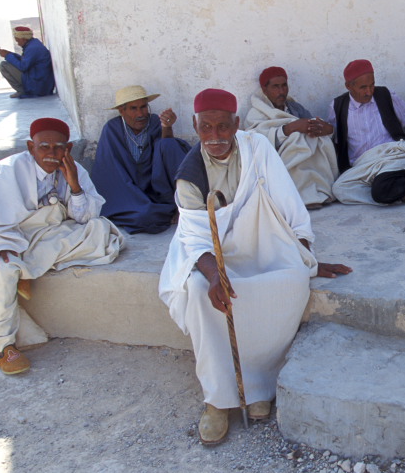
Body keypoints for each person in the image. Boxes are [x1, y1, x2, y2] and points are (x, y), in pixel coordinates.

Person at [158, 89, 351, 446]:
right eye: (205, 129)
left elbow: (287, 203)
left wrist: (304, 254)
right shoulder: (190, 175)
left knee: (292, 279)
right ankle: (217, 399)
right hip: (211, 256)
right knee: (201, 293)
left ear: (237, 123)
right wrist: (216, 275)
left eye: (222, 127)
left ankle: (257, 385)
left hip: (263, 243)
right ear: (195, 127)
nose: (214, 137)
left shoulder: (256, 148)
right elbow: (196, 241)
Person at [0, 118, 124, 375]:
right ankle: (3, 347)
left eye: (59, 147)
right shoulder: (7, 171)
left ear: (69, 148)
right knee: (3, 271)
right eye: (44, 147)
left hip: (36, 235)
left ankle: (25, 270)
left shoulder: (73, 170)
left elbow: (86, 217)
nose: (51, 154)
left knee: (101, 231)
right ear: (31, 147)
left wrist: (74, 184)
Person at [327, 59, 405, 205]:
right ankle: (402, 189)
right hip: (362, 165)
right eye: (363, 87)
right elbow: (335, 137)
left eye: (372, 85)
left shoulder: (385, 95)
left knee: (380, 190)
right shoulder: (337, 106)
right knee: (339, 189)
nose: (369, 92)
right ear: (349, 86)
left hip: (393, 155)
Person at [91, 85, 191, 233]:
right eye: (133, 108)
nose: (140, 113)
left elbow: (167, 155)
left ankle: (183, 204)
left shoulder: (155, 122)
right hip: (128, 193)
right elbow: (109, 170)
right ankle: (156, 211)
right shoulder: (112, 129)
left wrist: (167, 127)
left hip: (157, 189)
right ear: (122, 111)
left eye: (143, 107)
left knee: (171, 144)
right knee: (145, 216)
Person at [243, 67, 339, 209]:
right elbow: (254, 141)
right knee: (296, 139)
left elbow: (314, 125)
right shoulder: (256, 113)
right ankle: (298, 196)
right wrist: (290, 129)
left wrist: (326, 129)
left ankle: (318, 191)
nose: (281, 91)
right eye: (275, 87)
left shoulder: (295, 107)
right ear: (264, 89)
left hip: (307, 157)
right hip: (280, 157)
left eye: (284, 86)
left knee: (316, 139)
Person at [0, 26, 55, 98]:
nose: (18, 44)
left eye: (18, 41)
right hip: (40, 82)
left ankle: (21, 91)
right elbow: (26, 60)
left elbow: (23, 66)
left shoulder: (33, 48)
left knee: (3, 65)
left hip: (39, 86)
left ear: (24, 39)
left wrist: (8, 56)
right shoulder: (33, 44)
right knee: (7, 63)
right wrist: (10, 54)